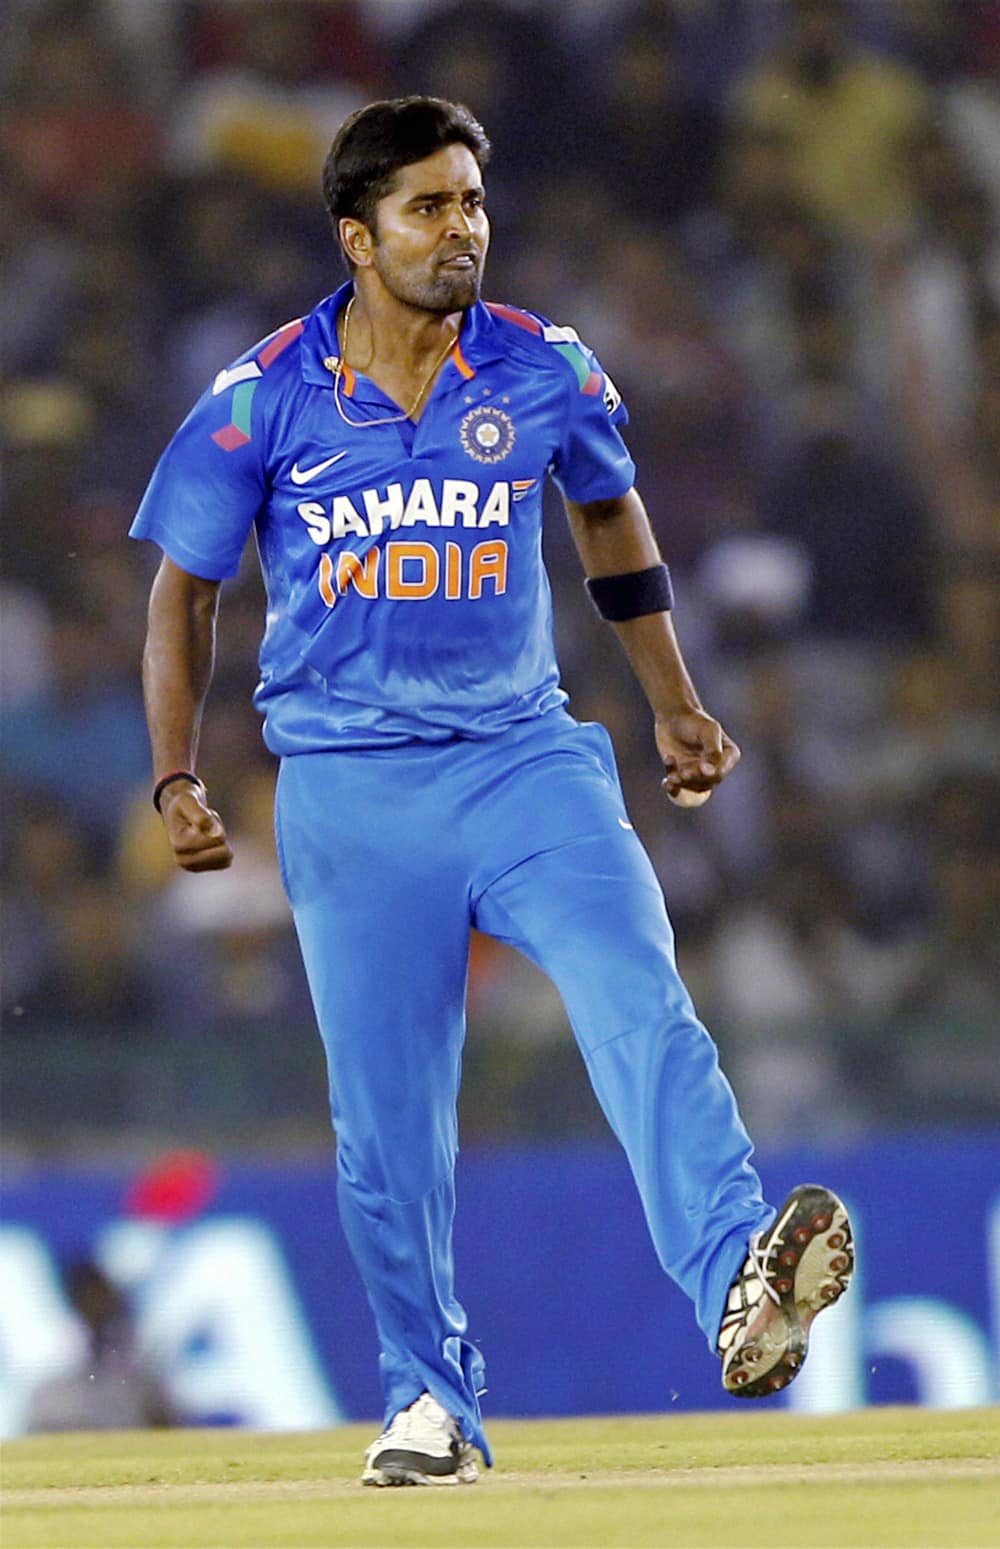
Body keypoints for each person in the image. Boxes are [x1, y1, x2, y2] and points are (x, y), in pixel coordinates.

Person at [131, 97, 854, 1486]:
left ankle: (735, 1285)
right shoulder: (261, 397)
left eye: (472, 202)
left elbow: (607, 513)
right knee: (386, 1120)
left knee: (637, 992)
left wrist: (675, 700)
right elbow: (183, 596)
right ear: (357, 236)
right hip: (347, 786)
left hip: (526, 759)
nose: (462, 230)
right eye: (427, 209)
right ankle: (429, 1401)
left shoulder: (543, 368)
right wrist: (174, 773)